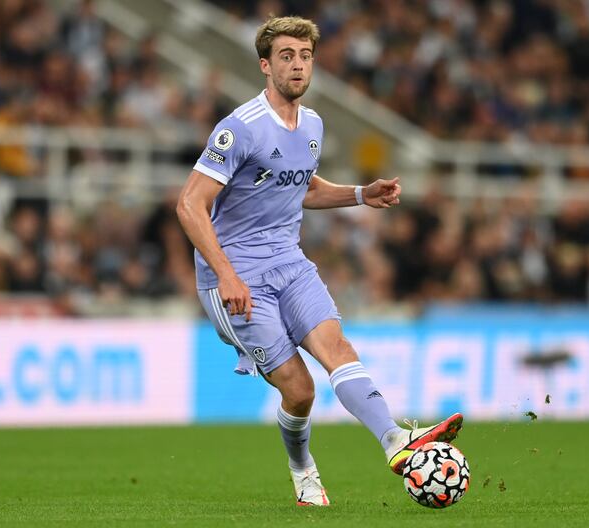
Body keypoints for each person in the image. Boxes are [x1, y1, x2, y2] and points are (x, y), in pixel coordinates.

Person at [176, 16, 463, 506]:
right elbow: (189, 204)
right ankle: (302, 468)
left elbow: (303, 185)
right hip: (238, 277)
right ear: (266, 65)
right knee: (301, 390)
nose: (298, 65)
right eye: (287, 56)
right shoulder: (240, 128)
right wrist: (225, 274)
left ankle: (396, 441)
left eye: (305, 56)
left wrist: (358, 193)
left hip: (290, 263)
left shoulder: (313, 124)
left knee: (337, 347)